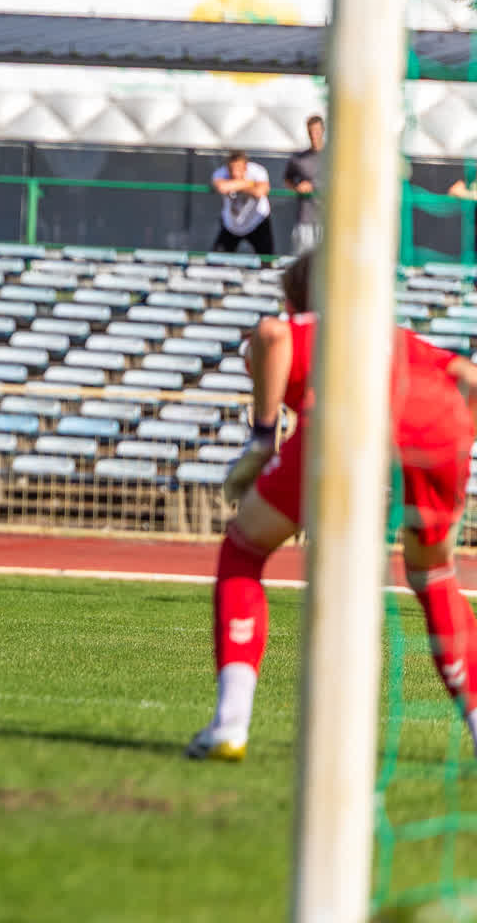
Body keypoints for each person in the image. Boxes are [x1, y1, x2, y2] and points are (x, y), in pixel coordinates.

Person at [187, 250, 477, 761]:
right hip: (440, 423)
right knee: (434, 576)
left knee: (244, 549)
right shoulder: (394, 336)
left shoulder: (302, 327)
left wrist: (262, 439)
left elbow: (271, 337)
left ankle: (230, 724)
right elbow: (468, 376)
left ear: (295, 299)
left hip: (343, 416)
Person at [210, 151, 273, 256]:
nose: (235, 173)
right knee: (216, 260)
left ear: (245, 167)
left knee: (267, 259)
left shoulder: (257, 171)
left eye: (238, 168)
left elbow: (261, 191)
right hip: (231, 224)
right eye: (232, 169)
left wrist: (235, 186)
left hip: (257, 221)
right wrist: (250, 184)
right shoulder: (221, 172)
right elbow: (222, 187)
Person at [283, 115, 325, 254]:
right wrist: (297, 188)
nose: (314, 136)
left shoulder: (335, 156)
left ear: (323, 131)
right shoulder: (298, 159)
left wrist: (315, 186)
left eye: (317, 131)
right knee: (302, 259)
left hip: (328, 218)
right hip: (305, 218)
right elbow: (287, 179)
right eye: (311, 132)